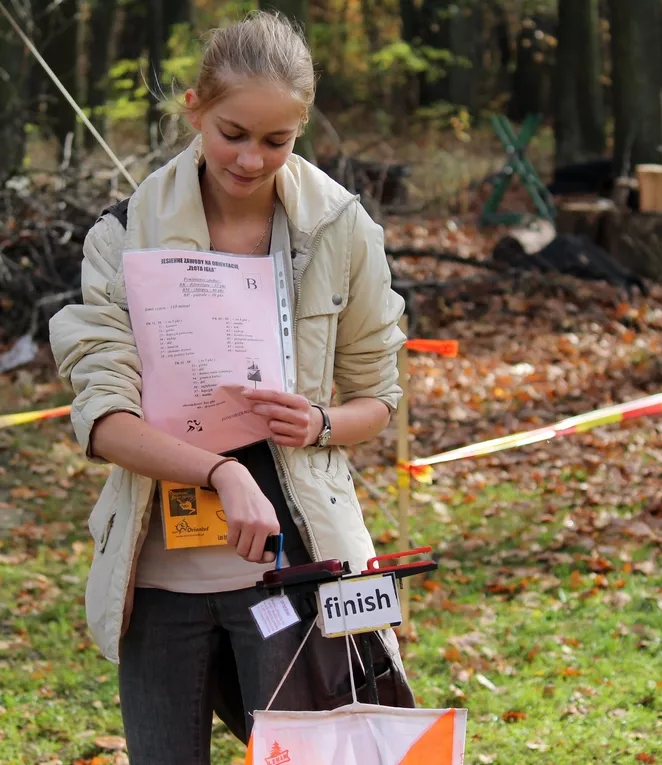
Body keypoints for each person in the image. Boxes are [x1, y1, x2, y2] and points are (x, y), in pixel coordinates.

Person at [49, 10, 413, 764]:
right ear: (195, 108)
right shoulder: (123, 233)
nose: (251, 159)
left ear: (302, 128)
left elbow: (378, 399)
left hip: (300, 567)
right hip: (160, 577)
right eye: (233, 133)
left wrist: (315, 421)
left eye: (276, 141)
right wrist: (220, 472)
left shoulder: (342, 229)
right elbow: (102, 416)